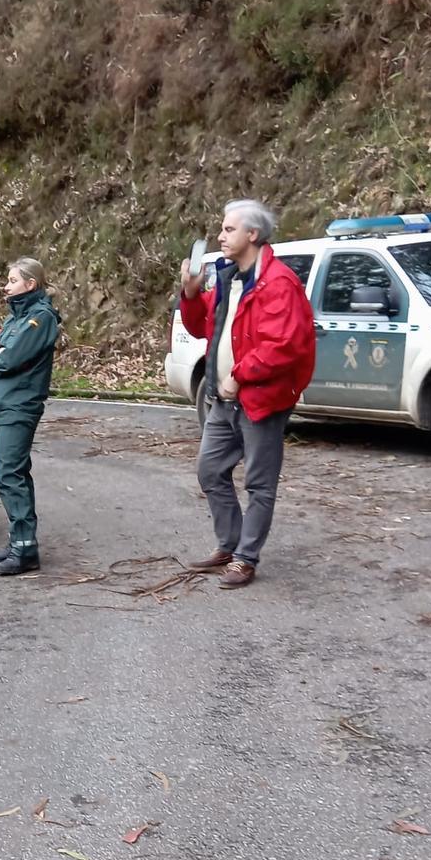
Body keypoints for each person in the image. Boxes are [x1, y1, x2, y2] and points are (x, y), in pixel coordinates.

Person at [180, 200, 315, 588]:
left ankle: (245, 558)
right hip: (223, 400)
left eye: (228, 230)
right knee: (209, 470)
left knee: (259, 483)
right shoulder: (229, 278)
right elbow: (202, 327)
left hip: (261, 400)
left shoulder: (278, 282)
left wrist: (239, 376)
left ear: (252, 235)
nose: (220, 236)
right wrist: (189, 294)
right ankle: (230, 544)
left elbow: (284, 345)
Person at [0, 258, 61, 575]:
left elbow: (6, 360)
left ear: (30, 284)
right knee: (12, 474)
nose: (6, 286)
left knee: (10, 475)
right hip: (5, 404)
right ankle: (20, 541)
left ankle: (25, 549)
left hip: (20, 404)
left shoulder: (40, 318)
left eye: (13, 280)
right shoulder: (17, 318)